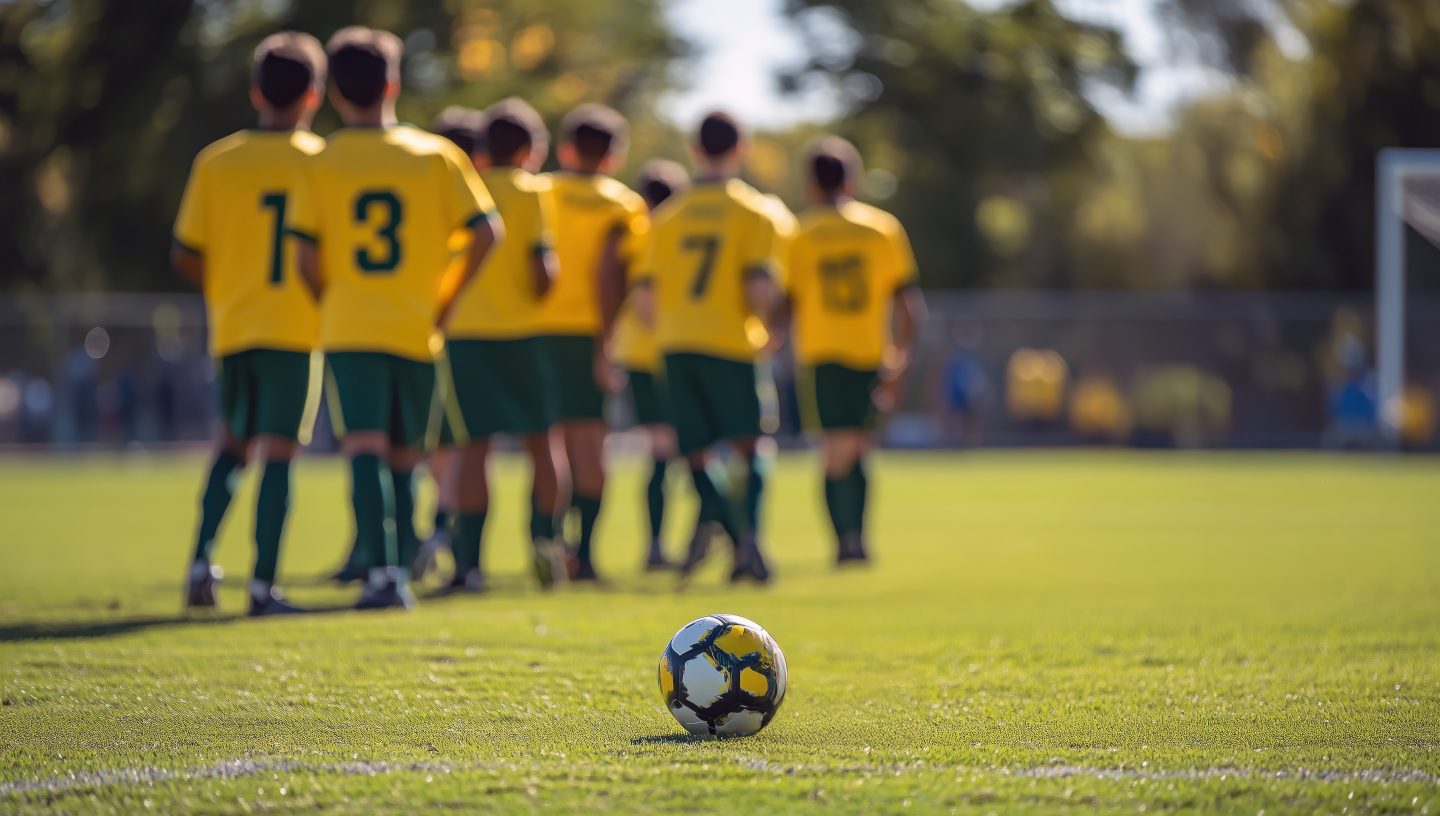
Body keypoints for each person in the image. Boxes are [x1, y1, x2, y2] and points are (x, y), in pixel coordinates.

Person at [290, 26, 501, 610]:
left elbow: (304, 255)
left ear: (333, 93)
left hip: (349, 326)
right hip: (417, 326)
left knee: (363, 447)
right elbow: (488, 232)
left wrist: (330, 299)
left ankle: (381, 572)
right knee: (407, 457)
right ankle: (402, 573)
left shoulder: (322, 160)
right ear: (393, 83)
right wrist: (447, 299)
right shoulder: (437, 155)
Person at [173, 32, 328, 616]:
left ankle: (199, 558)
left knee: (232, 445)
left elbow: (184, 251)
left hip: (235, 325)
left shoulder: (216, 160)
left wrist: (229, 285)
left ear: (256, 90)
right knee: (280, 454)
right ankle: (263, 585)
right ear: (314, 94)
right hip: (296, 326)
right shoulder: (322, 160)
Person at [329, 105, 490, 585]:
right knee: (423, 452)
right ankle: (410, 548)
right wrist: (443, 304)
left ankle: (390, 552)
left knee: (374, 448)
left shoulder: (339, 159)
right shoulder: (444, 180)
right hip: (429, 333)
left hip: (375, 326)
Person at [632, 111, 795, 584]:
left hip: (676, 344)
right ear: (740, 149)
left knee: (696, 453)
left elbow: (644, 299)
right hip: (732, 343)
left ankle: (737, 539)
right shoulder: (756, 211)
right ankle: (751, 540)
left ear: (695, 149)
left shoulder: (666, 217)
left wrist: (666, 331)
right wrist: (771, 330)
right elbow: (759, 286)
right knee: (753, 445)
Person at [776, 136, 926, 564]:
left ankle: (844, 540)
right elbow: (909, 305)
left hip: (821, 355)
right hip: (869, 354)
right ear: (852, 179)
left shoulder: (798, 234)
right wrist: (902, 357)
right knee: (859, 446)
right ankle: (855, 538)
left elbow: (785, 303)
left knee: (834, 450)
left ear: (812, 184)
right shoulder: (881, 227)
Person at [442, 97, 568, 591]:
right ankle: (546, 544)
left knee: (474, 448)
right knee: (543, 442)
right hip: (524, 335)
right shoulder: (532, 190)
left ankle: (469, 564)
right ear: (531, 149)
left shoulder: (466, 186)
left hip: (465, 335)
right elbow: (542, 273)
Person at [538, 105, 648, 583]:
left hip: (534, 334)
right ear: (614, 155)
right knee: (588, 449)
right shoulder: (622, 204)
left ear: (565, 148)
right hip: (587, 334)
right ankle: (583, 556)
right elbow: (616, 275)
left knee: (545, 448)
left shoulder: (540, 191)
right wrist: (608, 343)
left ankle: (545, 544)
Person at [612, 160, 688, 570]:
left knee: (661, 450)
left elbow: (640, 301)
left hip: (640, 353)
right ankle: (687, 535)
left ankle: (658, 543)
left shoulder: (641, 235)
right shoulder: (675, 233)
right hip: (674, 353)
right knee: (683, 448)